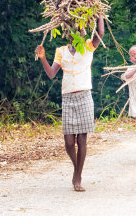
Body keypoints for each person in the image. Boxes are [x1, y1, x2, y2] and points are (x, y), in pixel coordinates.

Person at [35, 14, 104, 191]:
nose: (77, 33)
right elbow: (51, 74)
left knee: (82, 140)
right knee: (68, 142)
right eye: (73, 31)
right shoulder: (61, 51)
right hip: (68, 98)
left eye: (80, 30)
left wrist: (99, 16)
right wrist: (43, 57)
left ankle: (77, 176)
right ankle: (77, 167)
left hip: (84, 97)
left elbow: (101, 34)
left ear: (83, 32)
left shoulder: (88, 46)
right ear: (67, 33)